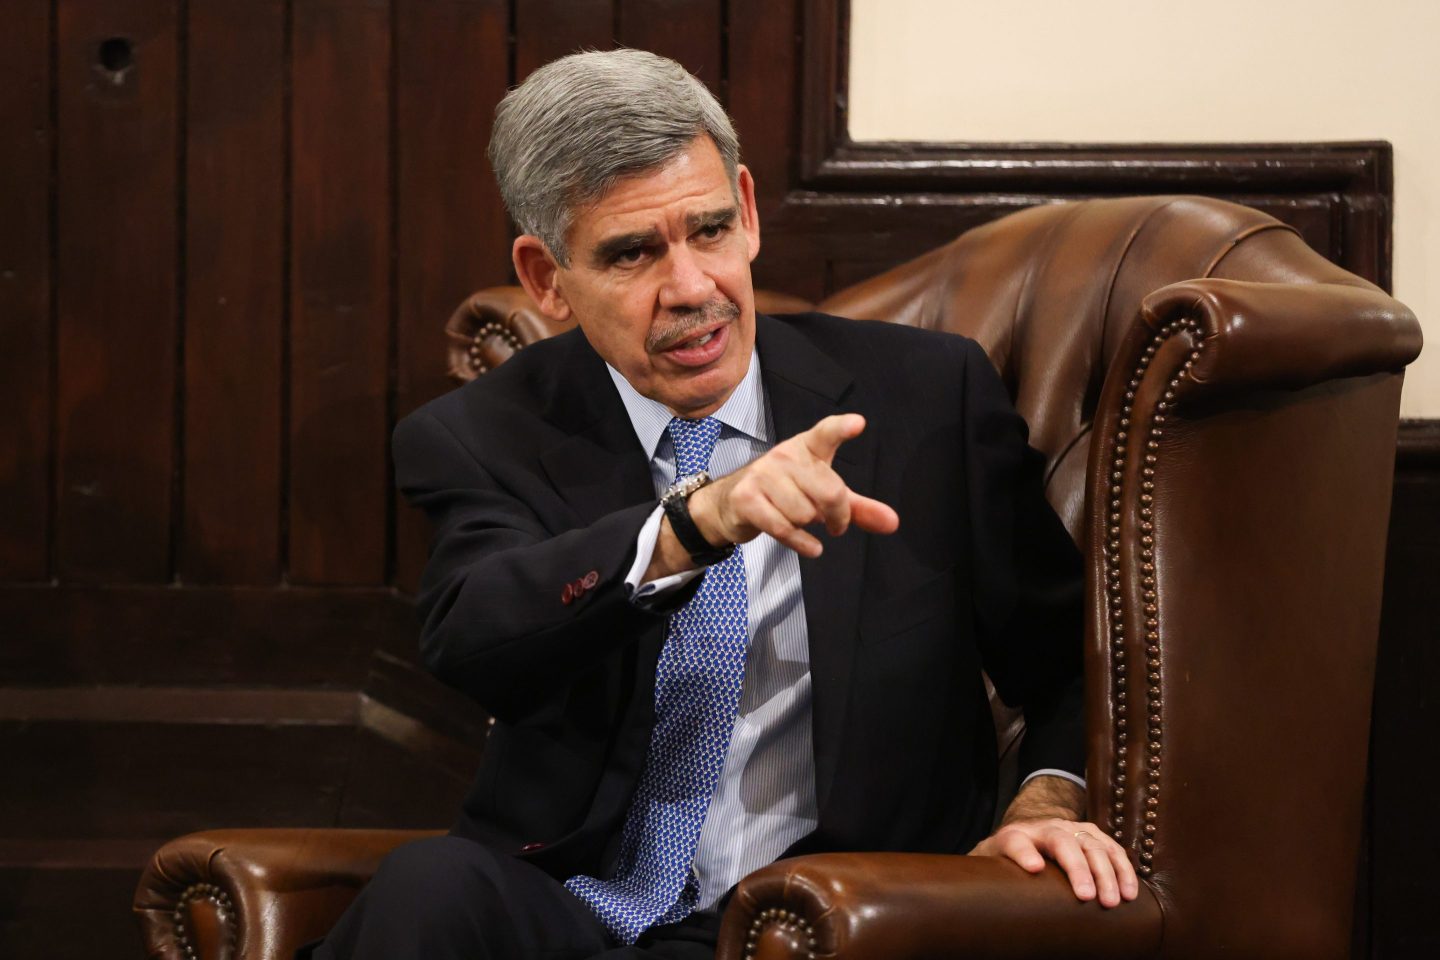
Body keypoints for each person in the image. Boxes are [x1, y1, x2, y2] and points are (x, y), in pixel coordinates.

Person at [313, 48, 1137, 960]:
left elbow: (1071, 666)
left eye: (707, 231)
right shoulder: (480, 434)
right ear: (546, 277)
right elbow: (476, 633)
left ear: (746, 212)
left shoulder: (926, 402)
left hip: (815, 918)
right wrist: (694, 525)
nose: (692, 289)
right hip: (573, 910)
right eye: (632, 253)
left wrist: (1046, 800)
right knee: (431, 887)